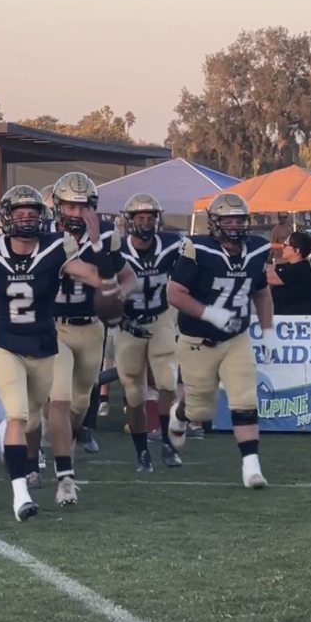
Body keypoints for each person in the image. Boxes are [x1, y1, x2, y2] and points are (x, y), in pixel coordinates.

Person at [0, 185, 117, 521]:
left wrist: (98, 243)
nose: (27, 219)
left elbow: (99, 279)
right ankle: (20, 495)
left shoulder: (57, 248)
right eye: (20, 213)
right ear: (7, 217)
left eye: (33, 213)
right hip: (6, 345)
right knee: (18, 416)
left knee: (31, 421)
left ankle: (11, 436)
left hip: (44, 347)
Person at [166, 192, 275, 488]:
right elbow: (174, 294)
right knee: (201, 410)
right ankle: (179, 412)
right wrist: (209, 314)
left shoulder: (256, 250)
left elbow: (262, 293)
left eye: (240, 220)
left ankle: (251, 467)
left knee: (245, 399)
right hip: (197, 340)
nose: (235, 226)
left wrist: (268, 332)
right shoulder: (196, 250)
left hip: (235, 337)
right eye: (228, 220)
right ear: (215, 223)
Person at [44, 172, 134, 500]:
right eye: (70, 206)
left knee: (80, 403)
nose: (77, 214)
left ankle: (59, 436)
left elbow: (127, 276)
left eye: (84, 207)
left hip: (92, 326)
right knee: (60, 397)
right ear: (57, 207)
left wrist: (119, 295)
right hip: (53, 325)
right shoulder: (43, 235)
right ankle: (64, 475)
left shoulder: (107, 234)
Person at [114, 193, 183, 472]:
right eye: (140, 217)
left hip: (161, 317)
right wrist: (120, 318)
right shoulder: (115, 250)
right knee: (134, 393)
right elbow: (103, 292)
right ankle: (142, 451)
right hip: (127, 324)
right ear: (129, 221)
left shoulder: (172, 245)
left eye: (151, 217)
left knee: (168, 381)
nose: (146, 222)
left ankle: (166, 441)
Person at [267, 231, 311, 316]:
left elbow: (268, 277)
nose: (283, 247)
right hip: (285, 317)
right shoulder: (290, 266)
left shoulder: (300, 269)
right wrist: (269, 258)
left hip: (295, 319)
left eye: (286, 245)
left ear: (296, 251)